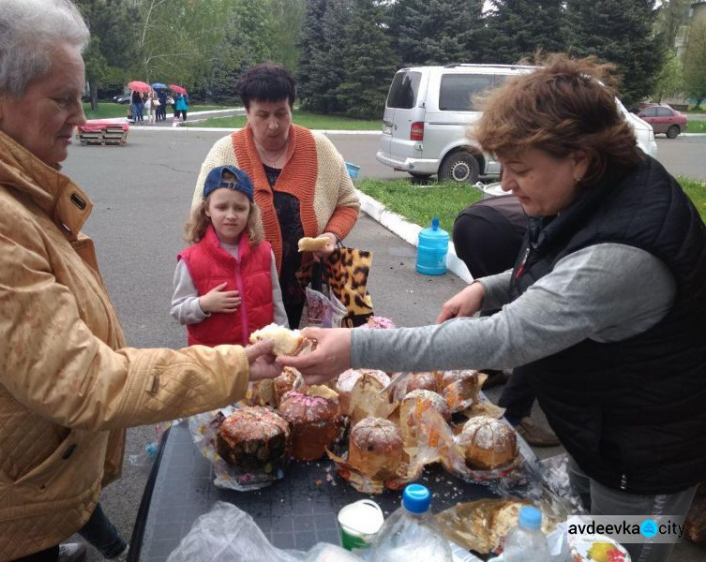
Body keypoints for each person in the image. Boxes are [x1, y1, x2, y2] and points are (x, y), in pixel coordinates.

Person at [282, 54, 706, 562]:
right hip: (600, 429)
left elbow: (507, 337)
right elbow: (556, 265)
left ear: (580, 158)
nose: (505, 183)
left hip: (646, 455)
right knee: (584, 537)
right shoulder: (597, 191)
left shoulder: (623, 254)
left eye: (521, 169)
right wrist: (490, 287)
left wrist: (356, 346)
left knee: (624, 550)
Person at [0, 1, 326, 560]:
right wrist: (233, 363)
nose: (81, 118)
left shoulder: (13, 191)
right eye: (62, 99)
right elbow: (80, 381)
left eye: (81, 98)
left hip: (25, 479)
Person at [190, 62, 360, 328]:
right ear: (246, 112)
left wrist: (330, 235)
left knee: (305, 361)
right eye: (262, 114)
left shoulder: (318, 148)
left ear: (291, 108)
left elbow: (348, 203)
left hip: (309, 292)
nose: (273, 125)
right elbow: (200, 220)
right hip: (244, 292)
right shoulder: (225, 153)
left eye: (281, 113)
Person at [452, 195, 559, 447]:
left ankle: (487, 370)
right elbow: (534, 323)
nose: (509, 180)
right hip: (497, 231)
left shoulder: (552, 203)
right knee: (533, 325)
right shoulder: (557, 207)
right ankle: (514, 413)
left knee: (508, 305)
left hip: (467, 222)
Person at [171, 165, 288, 345]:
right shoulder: (190, 260)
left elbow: (276, 303)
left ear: (250, 212)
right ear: (207, 209)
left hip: (258, 358)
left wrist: (284, 342)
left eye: (240, 208)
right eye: (222, 207)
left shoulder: (264, 252)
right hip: (213, 363)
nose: (231, 215)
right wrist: (203, 304)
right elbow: (178, 309)